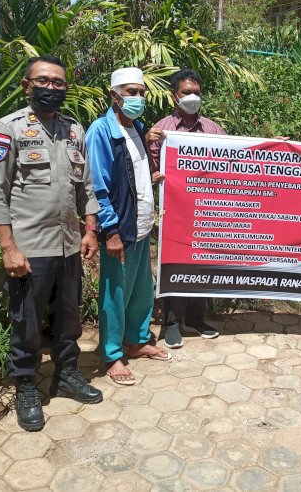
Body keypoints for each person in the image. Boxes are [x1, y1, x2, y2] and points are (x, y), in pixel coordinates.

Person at [0, 54, 102, 431]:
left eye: (58, 83)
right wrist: (8, 247)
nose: (51, 88)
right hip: (29, 247)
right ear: (26, 85)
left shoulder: (74, 130)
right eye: (43, 81)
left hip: (68, 244)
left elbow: (85, 186)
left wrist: (90, 229)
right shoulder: (9, 129)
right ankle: (25, 386)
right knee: (28, 323)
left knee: (68, 317)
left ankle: (66, 374)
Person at [86, 67, 171, 386]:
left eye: (141, 92)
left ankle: (136, 342)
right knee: (115, 293)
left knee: (139, 291)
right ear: (114, 95)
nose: (138, 98)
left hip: (142, 226)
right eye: (130, 92)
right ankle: (112, 354)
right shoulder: (102, 131)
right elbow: (99, 186)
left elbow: (130, 177)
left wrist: (152, 180)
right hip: (120, 230)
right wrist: (110, 231)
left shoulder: (136, 128)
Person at [146, 68, 224, 349]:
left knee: (202, 265)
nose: (192, 97)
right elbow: (150, 171)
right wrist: (149, 145)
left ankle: (196, 318)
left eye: (196, 93)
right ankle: (171, 323)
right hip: (174, 214)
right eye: (186, 93)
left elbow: (230, 165)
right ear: (173, 95)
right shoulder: (161, 129)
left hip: (205, 212)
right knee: (173, 265)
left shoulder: (214, 130)